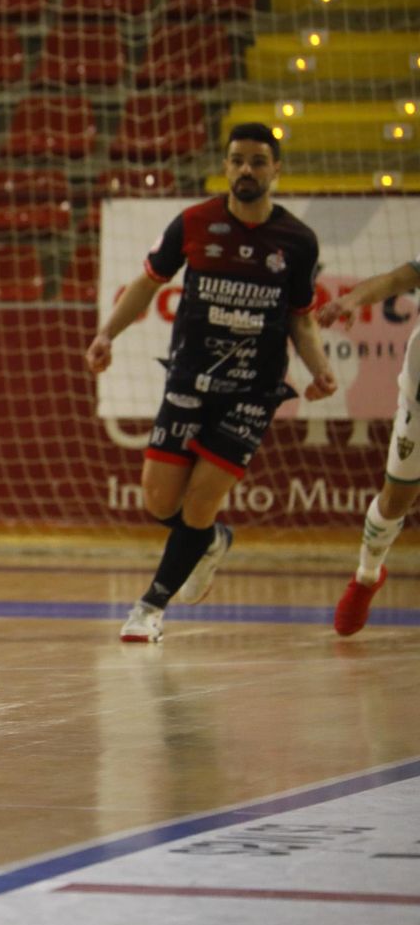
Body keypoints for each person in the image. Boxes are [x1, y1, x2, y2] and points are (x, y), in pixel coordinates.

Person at [86, 122, 338, 643]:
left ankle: (150, 609)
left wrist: (320, 370)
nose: (247, 169)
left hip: (253, 389)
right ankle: (210, 541)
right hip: (189, 378)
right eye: (237, 160)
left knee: (199, 502)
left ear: (276, 170)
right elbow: (147, 283)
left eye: (258, 161)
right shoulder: (195, 222)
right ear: (226, 167)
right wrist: (106, 334)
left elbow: (301, 318)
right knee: (159, 502)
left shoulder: (297, 240)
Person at [315, 254, 420, 635]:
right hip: (419, 403)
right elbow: (395, 279)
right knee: (395, 500)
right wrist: (352, 300)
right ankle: (366, 576)